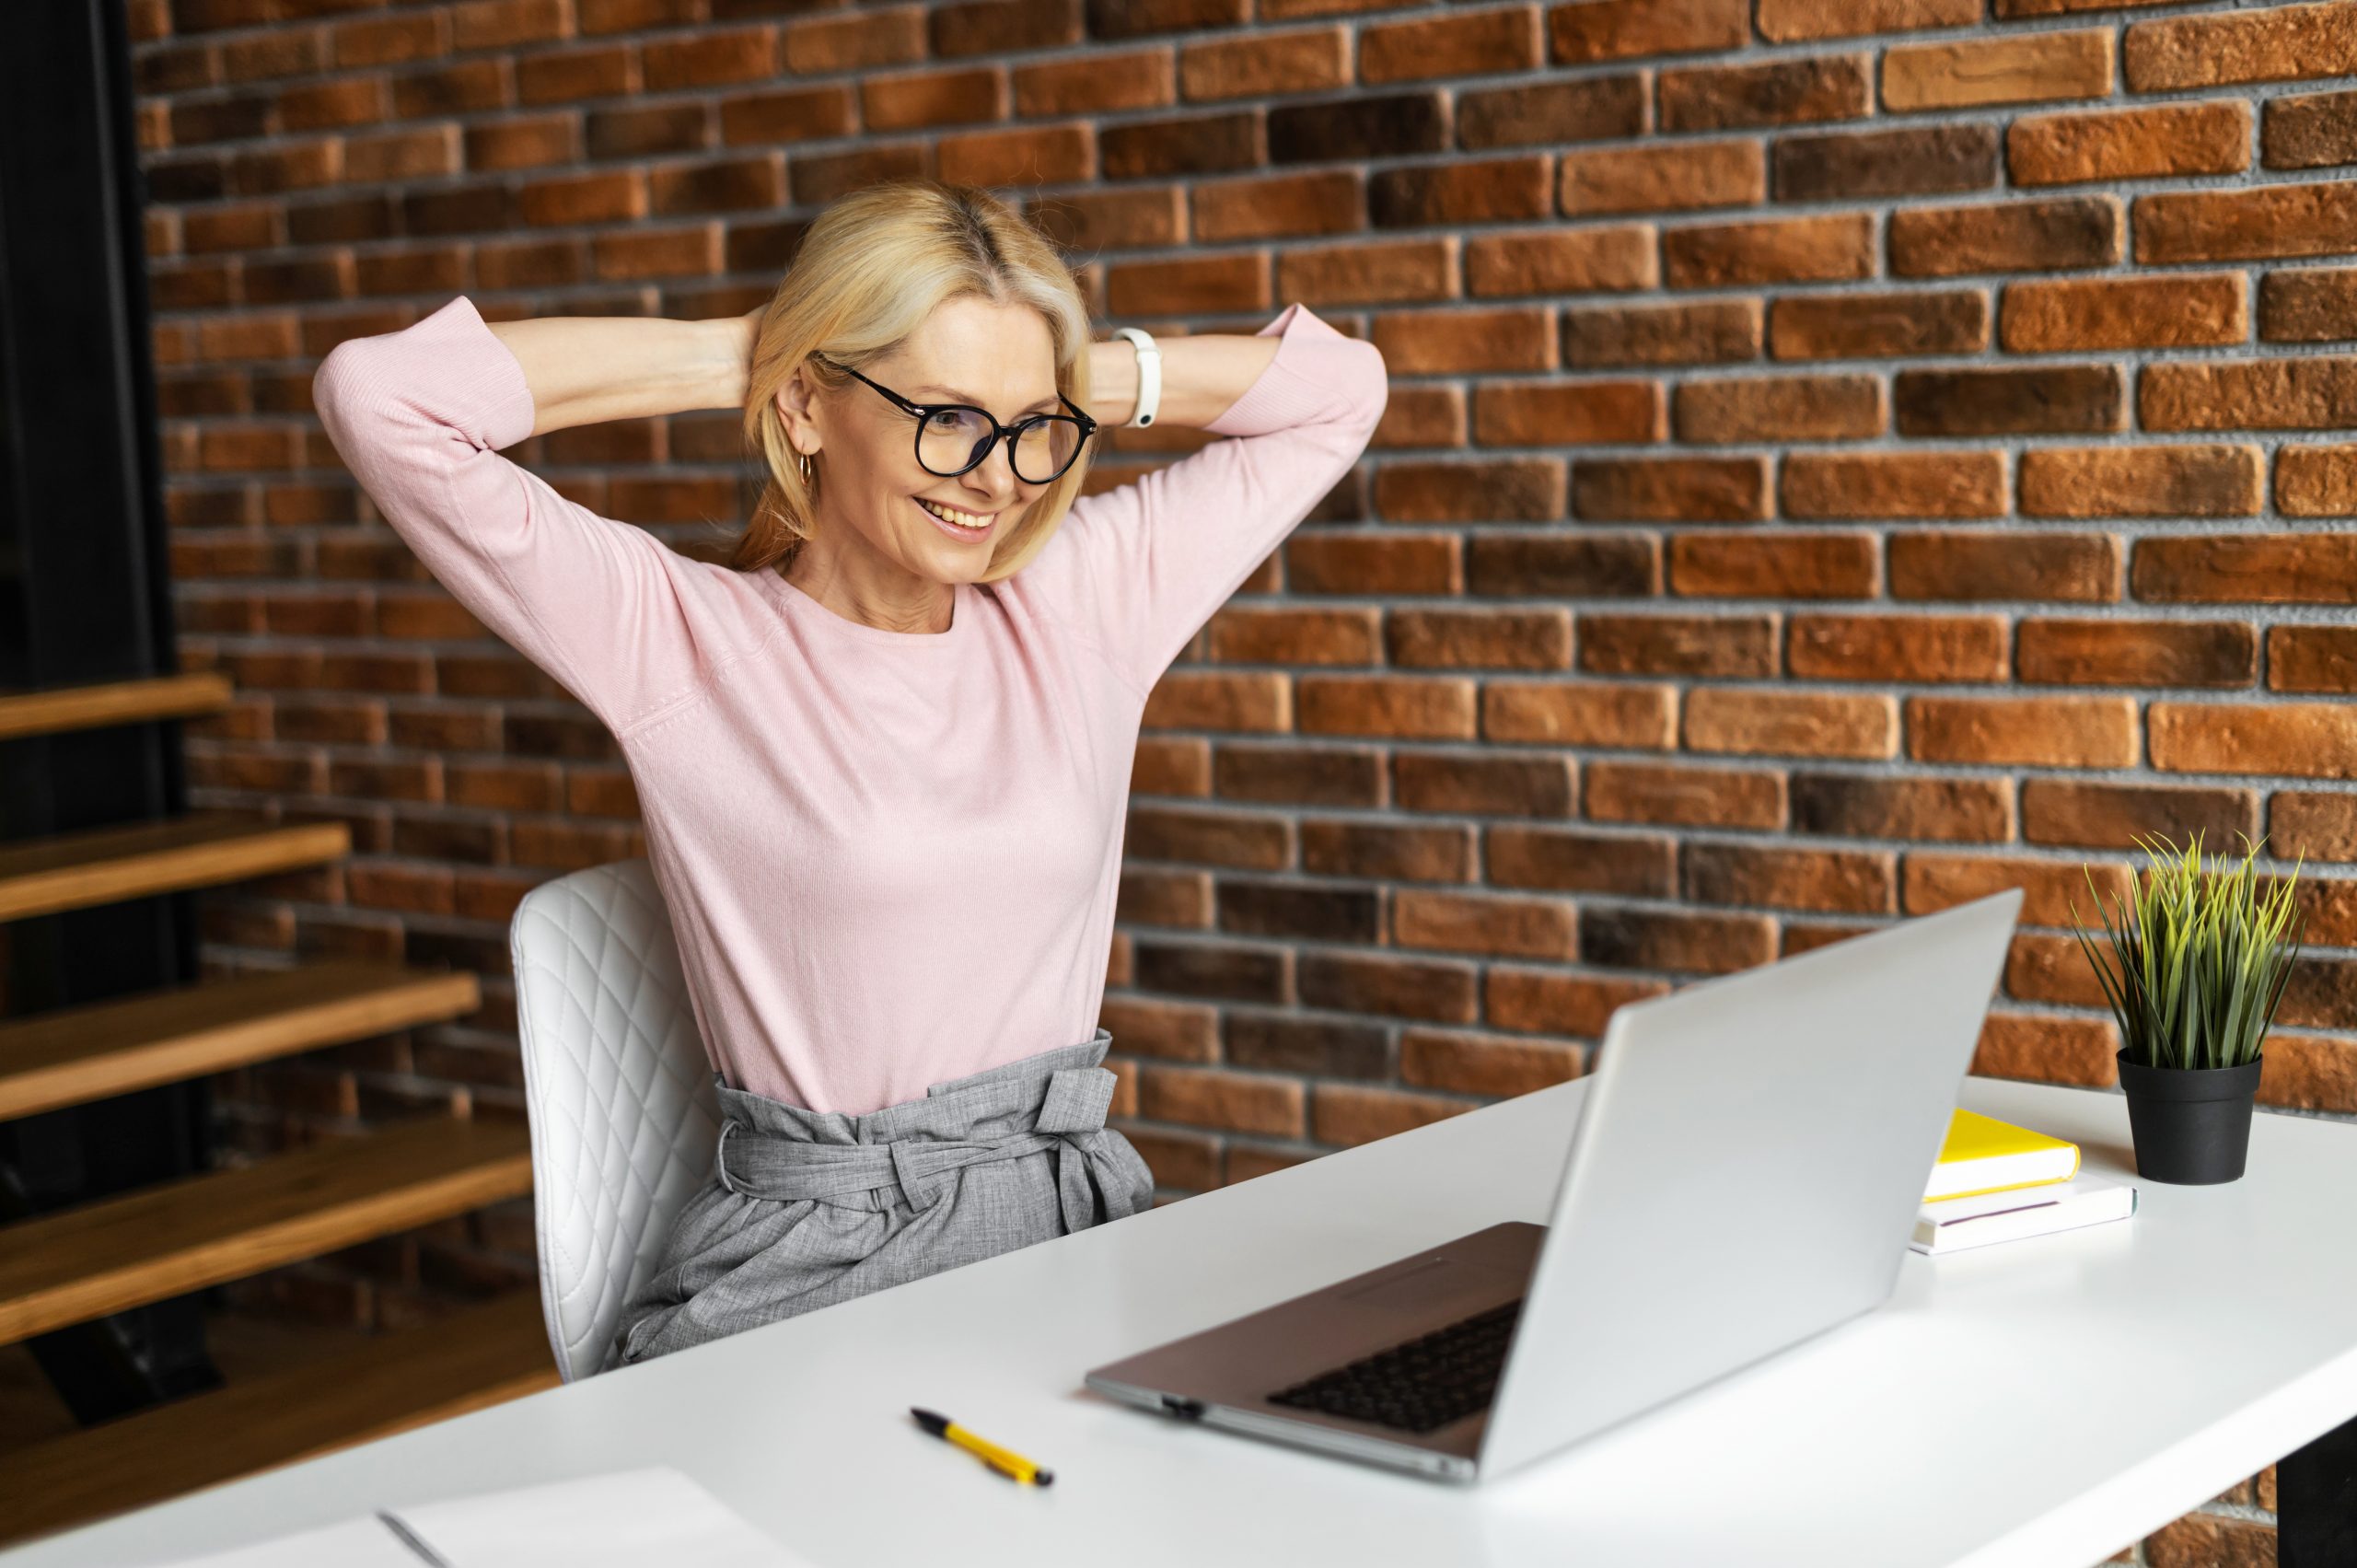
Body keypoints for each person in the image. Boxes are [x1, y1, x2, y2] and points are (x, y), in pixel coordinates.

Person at [311, 178, 1389, 1367]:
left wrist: (1085, 374)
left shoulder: (1079, 603)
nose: (998, 476)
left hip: (1071, 1234)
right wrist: (762, 354)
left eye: (1032, 426)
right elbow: (380, 398)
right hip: (816, 1275)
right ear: (810, 407)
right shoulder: (677, 639)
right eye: (946, 415)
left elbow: (1343, 396)